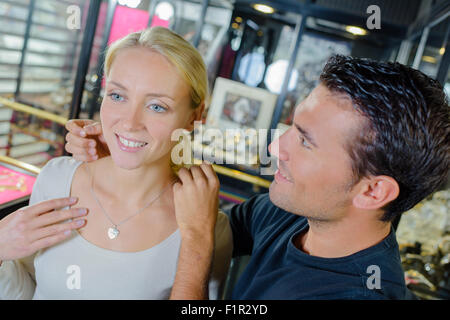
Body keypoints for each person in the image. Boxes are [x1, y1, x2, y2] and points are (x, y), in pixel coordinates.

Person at [65, 55, 450, 299]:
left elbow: (199, 233)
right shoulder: (290, 213)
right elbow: (195, 221)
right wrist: (125, 158)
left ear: (372, 191)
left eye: (305, 141)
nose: (273, 148)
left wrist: (198, 243)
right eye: (291, 128)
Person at [0, 27, 232, 299]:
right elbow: (25, 287)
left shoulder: (208, 228)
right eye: (117, 96)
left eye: (157, 106)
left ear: (195, 115)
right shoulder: (56, 179)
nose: (129, 123)